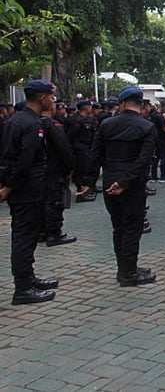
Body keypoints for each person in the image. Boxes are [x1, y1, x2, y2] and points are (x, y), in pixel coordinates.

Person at [79, 86, 157, 287]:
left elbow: (95, 155)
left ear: (122, 104)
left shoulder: (106, 125)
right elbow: (144, 160)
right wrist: (125, 182)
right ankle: (128, 272)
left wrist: (88, 183)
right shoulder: (146, 127)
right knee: (133, 228)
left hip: (109, 182)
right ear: (140, 104)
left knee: (118, 227)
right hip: (132, 184)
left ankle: (125, 267)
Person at [0, 80, 60, 304]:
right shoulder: (31, 123)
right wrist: (9, 186)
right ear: (42, 98)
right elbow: (24, 160)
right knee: (24, 237)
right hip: (26, 188)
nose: (53, 101)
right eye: (50, 97)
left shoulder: (17, 119)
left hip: (24, 186)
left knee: (27, 235)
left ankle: (28, 278)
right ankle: (23, 288)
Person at [41, 103, 77, 247]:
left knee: (42, 201)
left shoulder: (29, 123)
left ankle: (42, 231)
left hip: (38, 171)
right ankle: (54, 233)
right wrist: (70, 167)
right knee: (55, 201)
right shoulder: (52, 125)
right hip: (54, 169)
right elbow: (64, 148)